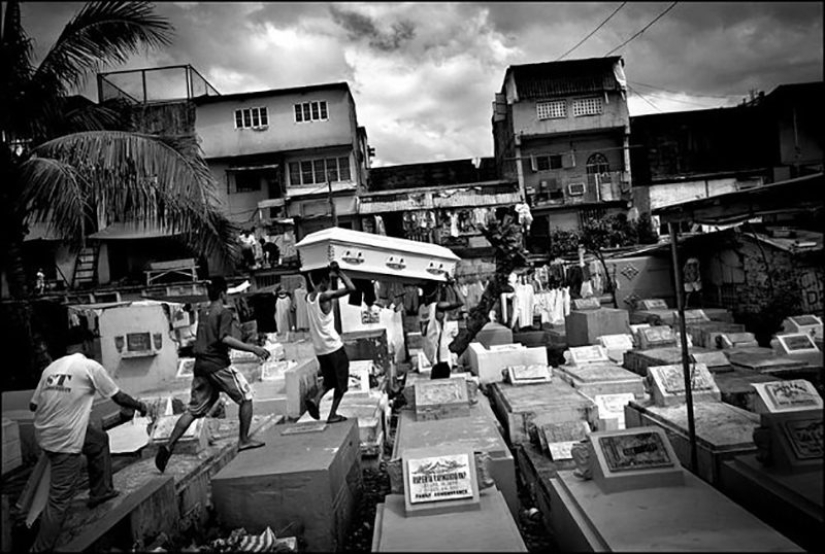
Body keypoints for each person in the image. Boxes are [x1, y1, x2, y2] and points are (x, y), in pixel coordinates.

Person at [28, 345, 149, 552]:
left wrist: (65, 404)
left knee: (98, 440)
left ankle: (101, 492)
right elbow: (118, 397)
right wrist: (140, 406)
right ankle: (40, 549)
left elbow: (33, 405)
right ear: (86, 350)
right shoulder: (90, 367)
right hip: (64, 440)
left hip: (46, 432)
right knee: (59, 501)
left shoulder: (52, 368)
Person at [155, 276, 270, 473]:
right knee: (246, 397)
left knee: (193, 410)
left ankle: (169, 445)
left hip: (200, 366)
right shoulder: (223, 312)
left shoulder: (203, 312)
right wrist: (253, 348)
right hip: (217, 365)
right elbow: (224, 338)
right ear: (223, 293)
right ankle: (243, 440)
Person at [305, 261, 356, 423]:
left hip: (320, 349)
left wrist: (307, 274)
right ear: (324, 281)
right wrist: (339, 272)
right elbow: (351, 288)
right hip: (333, 346)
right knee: (341, 382)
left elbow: (311, 286)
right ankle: (333, 414)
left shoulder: (308, 297)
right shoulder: (325, 297)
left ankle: (315, 399)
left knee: (329, 380)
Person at [422, 276, 465, 379]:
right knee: (442, 374)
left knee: (437, 374)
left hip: (431, 346)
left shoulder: (424, 307)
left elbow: (424, 330)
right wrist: (454, 286)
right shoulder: (438, 306)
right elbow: (461, 302)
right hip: (438, 348)